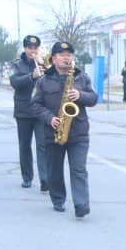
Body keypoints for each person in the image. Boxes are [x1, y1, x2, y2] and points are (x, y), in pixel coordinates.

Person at [30, 41, 98, 218]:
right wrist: (49, 118)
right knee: (55, 169)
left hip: (79, 132)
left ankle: (81, 204)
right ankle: (58, 199)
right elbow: (35, 105)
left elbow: (93, 98)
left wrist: (80, 95)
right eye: (63, 54)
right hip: (53, 132)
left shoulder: (81, 77)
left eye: (70, 55)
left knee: (79, 170)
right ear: (53, 58)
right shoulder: (43, 80)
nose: (67, 58)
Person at [10, 35, 49, 191]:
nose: (33, 51)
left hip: (40, 111)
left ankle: (45, 178)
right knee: (24, 146)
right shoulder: (17, 65)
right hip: (23, 111)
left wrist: (44, 67)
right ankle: (27, 177)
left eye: (35, 48)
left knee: (43, 145)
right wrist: (31, 76)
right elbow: (15, 82)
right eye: (30, 48)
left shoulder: (43, 63)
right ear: (25, 49)